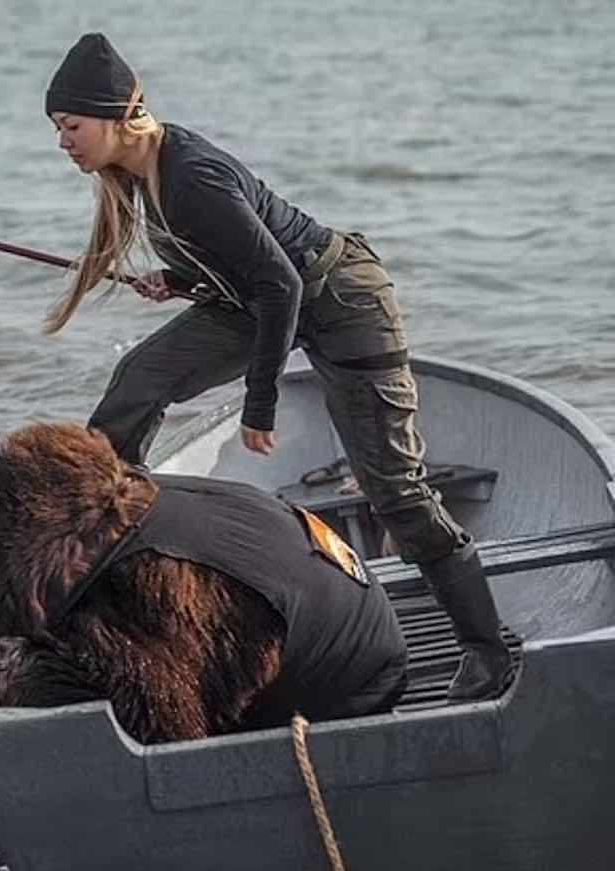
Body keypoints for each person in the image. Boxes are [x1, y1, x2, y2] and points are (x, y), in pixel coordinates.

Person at [42, 32, 512, 702]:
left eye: (71, 125)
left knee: (396, 493)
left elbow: (281, 285)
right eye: (58, 129)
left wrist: (258, 406)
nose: (64, 141)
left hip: (340, 298)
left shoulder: (191, 176)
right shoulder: (140, 176)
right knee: (141, 378)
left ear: (117, 117)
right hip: (260, 301)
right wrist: (179, 279)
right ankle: (97, 530)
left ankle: (487, 651)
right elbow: (241, 265)